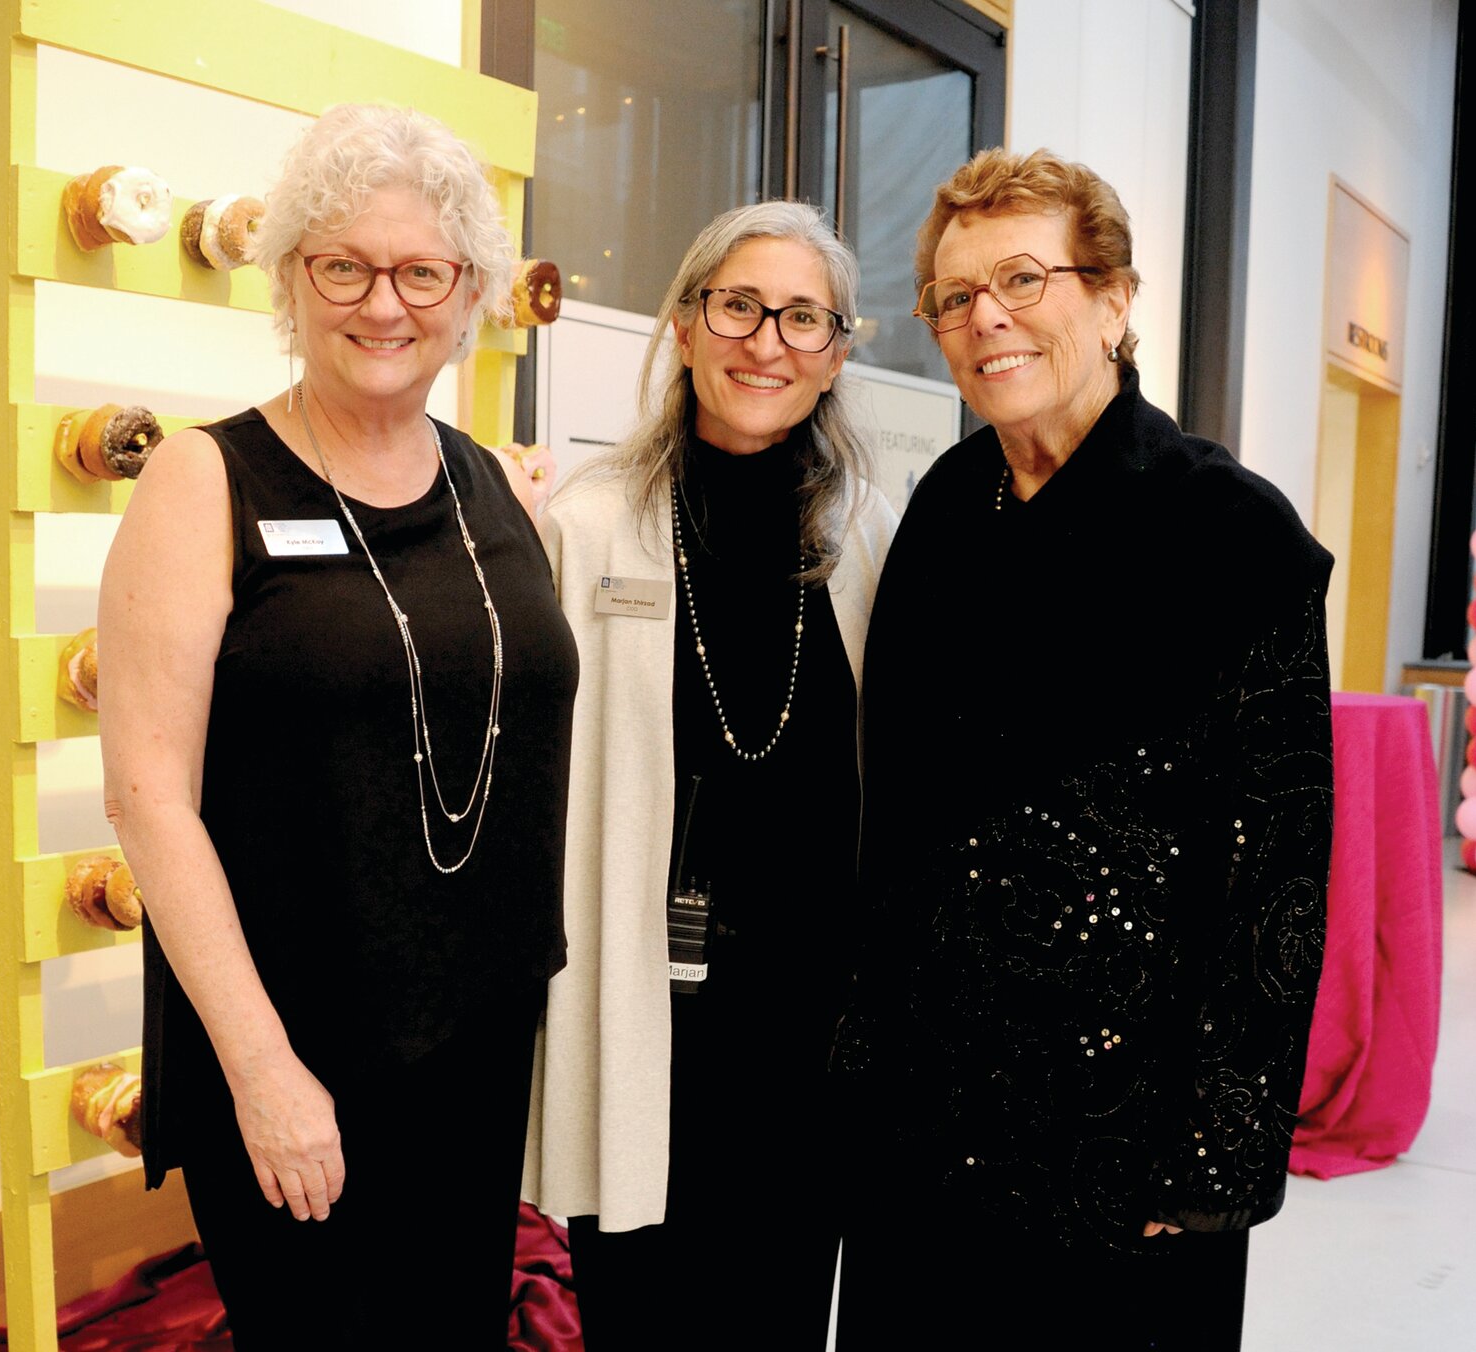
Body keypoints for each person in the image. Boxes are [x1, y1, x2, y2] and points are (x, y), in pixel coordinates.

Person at [831, 148, 1334, 1350]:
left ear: (1113, 299)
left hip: (1125, 1138)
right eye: (954, 297)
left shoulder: (1232, 531)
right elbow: (891, 819)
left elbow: (1282, 875)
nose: (983, 319)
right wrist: (859, 1070)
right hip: (928, 1117)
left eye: (1020, 278)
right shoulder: (948, 505)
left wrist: (1212, 1156)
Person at [98, 104, 578, 1348]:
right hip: (291, 1043)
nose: (384, 303)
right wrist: (262, 1069)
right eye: (345, 265)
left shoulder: (493, 484)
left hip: (472, 1049)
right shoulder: (205, 481)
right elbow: (148, 795)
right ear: (291, 278)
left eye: (422, 270)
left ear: (466, 289)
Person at [522, 201, 897, 1350]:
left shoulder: (873, 537)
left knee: (782, 1311)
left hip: (810, 1028)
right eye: (736, 304)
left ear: (836, 355)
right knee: (643, 1307)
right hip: (646, 1009)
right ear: (685, 326)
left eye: (802, 317)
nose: (765, 341)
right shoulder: (581, 528)